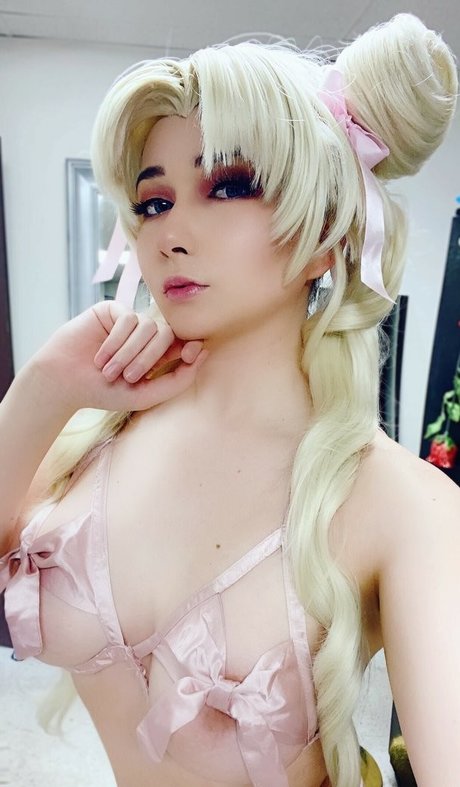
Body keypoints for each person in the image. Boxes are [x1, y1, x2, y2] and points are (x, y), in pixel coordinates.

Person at [1, 12, 459, 787]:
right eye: (154, 202)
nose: (171, 231)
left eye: (230, 186)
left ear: (325, 233)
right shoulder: (90, 438)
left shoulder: (402, 504)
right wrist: (41, 388)